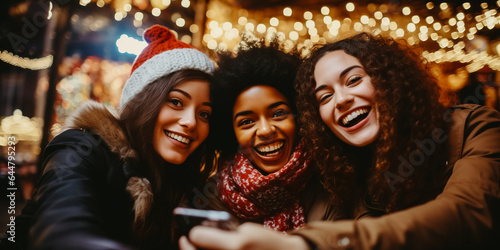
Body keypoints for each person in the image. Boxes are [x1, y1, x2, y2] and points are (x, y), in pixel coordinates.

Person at [181, 32, 500, 249]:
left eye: (353, 80)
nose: (342, 100)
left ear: (389, 78)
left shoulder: (475, 126)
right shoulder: (346, 168)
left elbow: (468, 212)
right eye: (325, 95)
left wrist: (304, 243)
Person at [1, 25, 216, 250]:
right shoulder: (82, 147)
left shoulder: (187, 185)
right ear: (143, 102)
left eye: (204, 114)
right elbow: (62, 227)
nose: (191, 122)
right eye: (176, 102)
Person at [186, 37, 329, 233]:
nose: (265, 130)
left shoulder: (332, 181)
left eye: (278, 114)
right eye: (246, 122)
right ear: (231, 133)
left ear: (300, 117)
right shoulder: (209, 199)